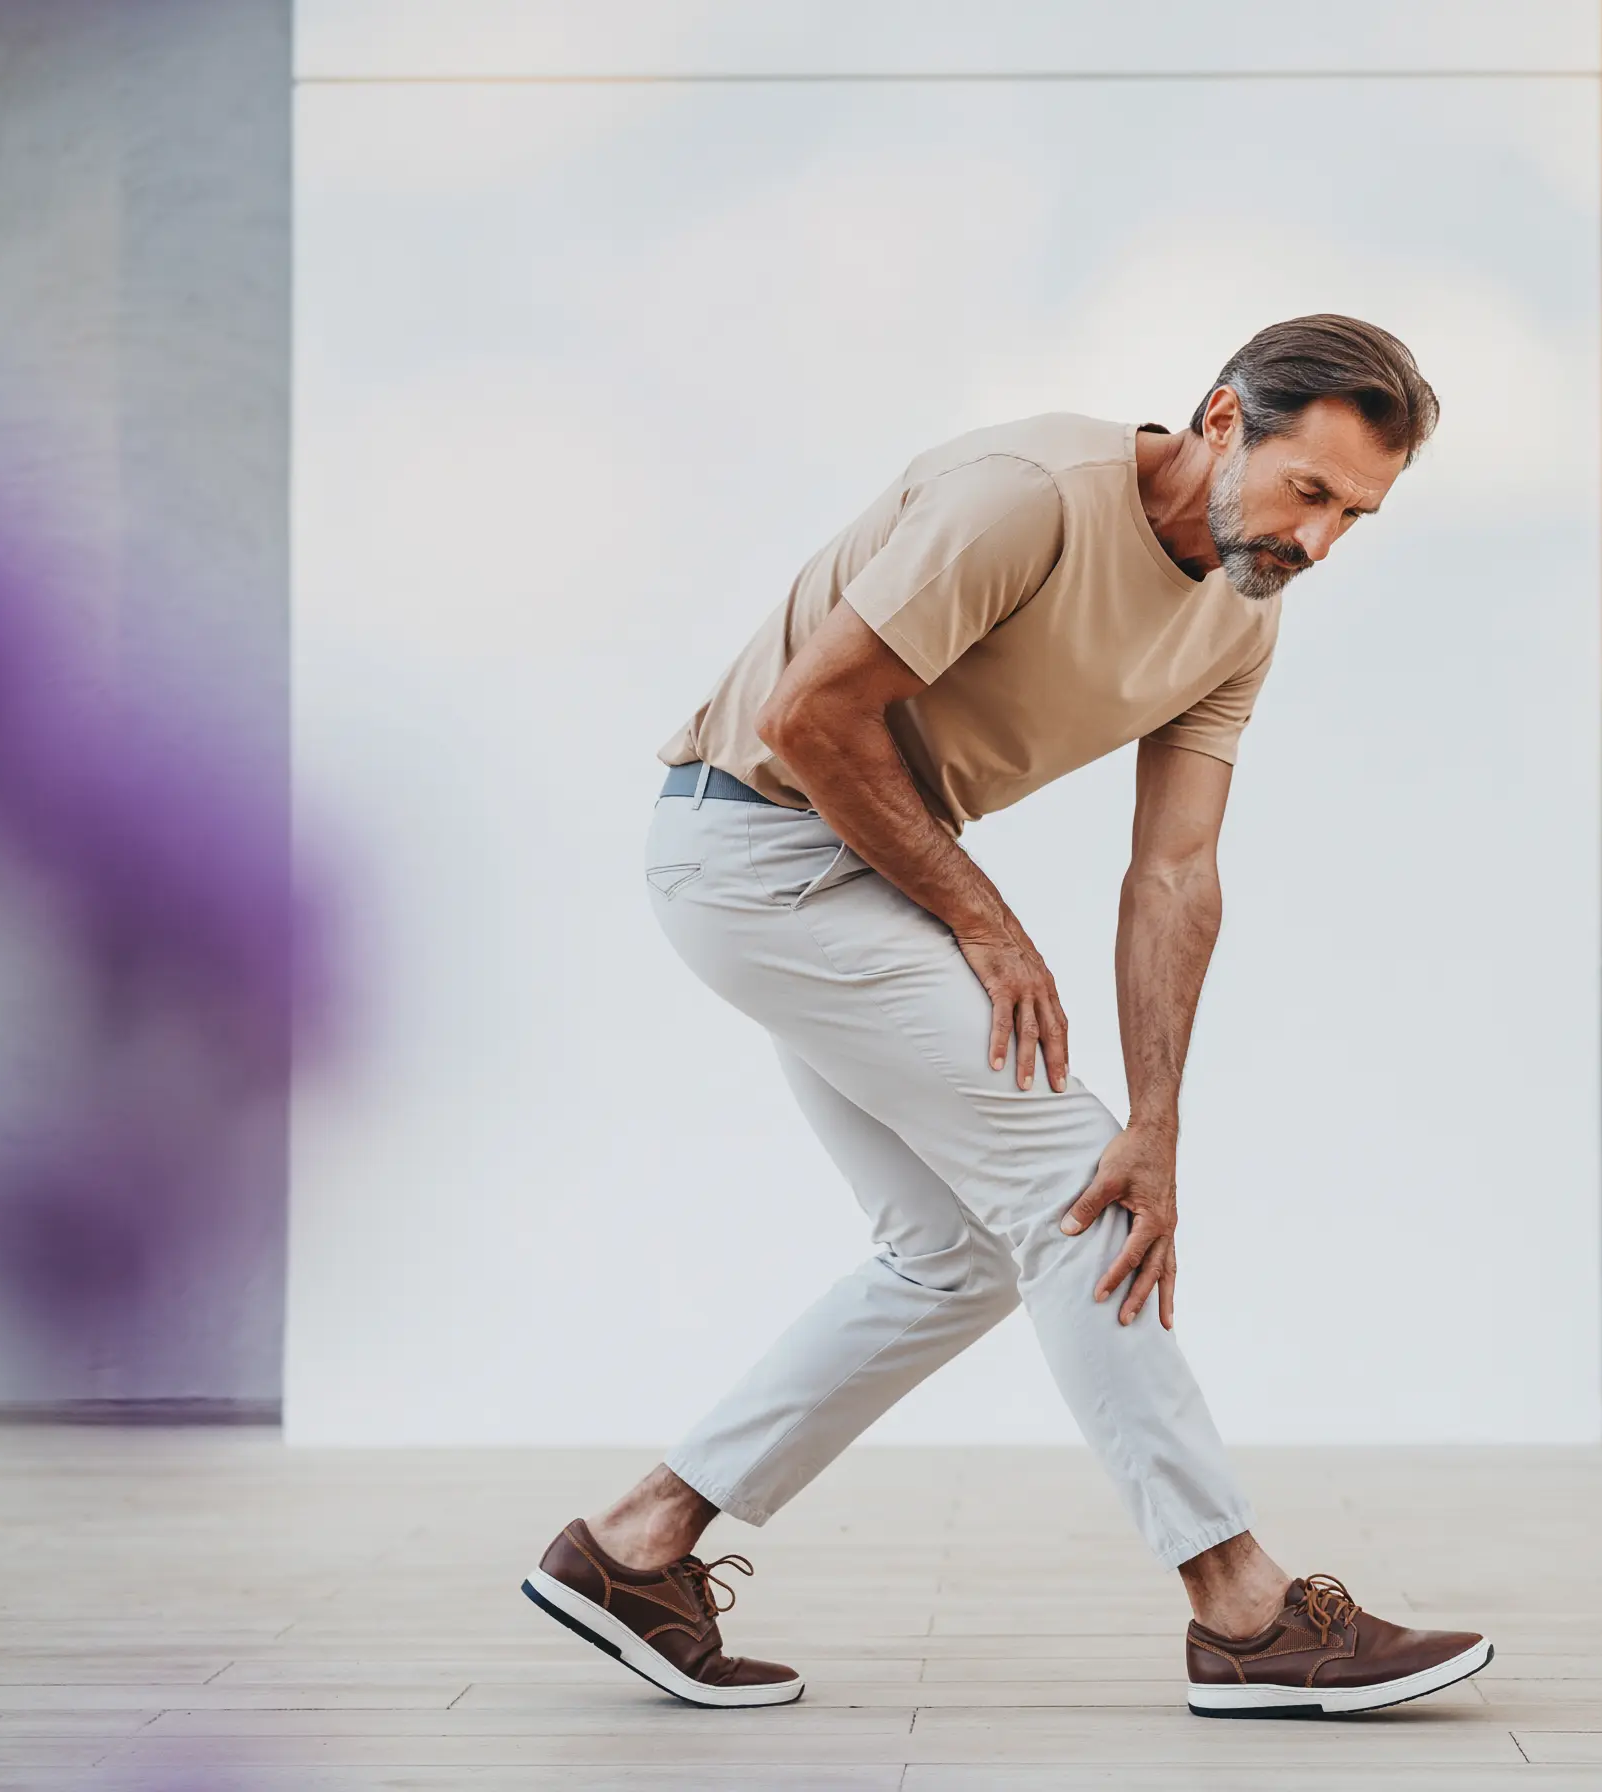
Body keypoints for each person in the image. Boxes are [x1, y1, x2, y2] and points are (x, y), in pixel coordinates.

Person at [523, 315, 1491, 1717]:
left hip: (860, 878)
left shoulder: (1242, 608)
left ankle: (636, 1545)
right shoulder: (1027, 497)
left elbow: (1175, 872)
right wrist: (984, 923)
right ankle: (1242, 1608)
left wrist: (1159, 1118)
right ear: (1224, 421)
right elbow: (811, 716)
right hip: (753, 850)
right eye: (1312, 492)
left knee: (953, 1255)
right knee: (1072, 1198)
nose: (1323, 542)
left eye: (1358, 515)